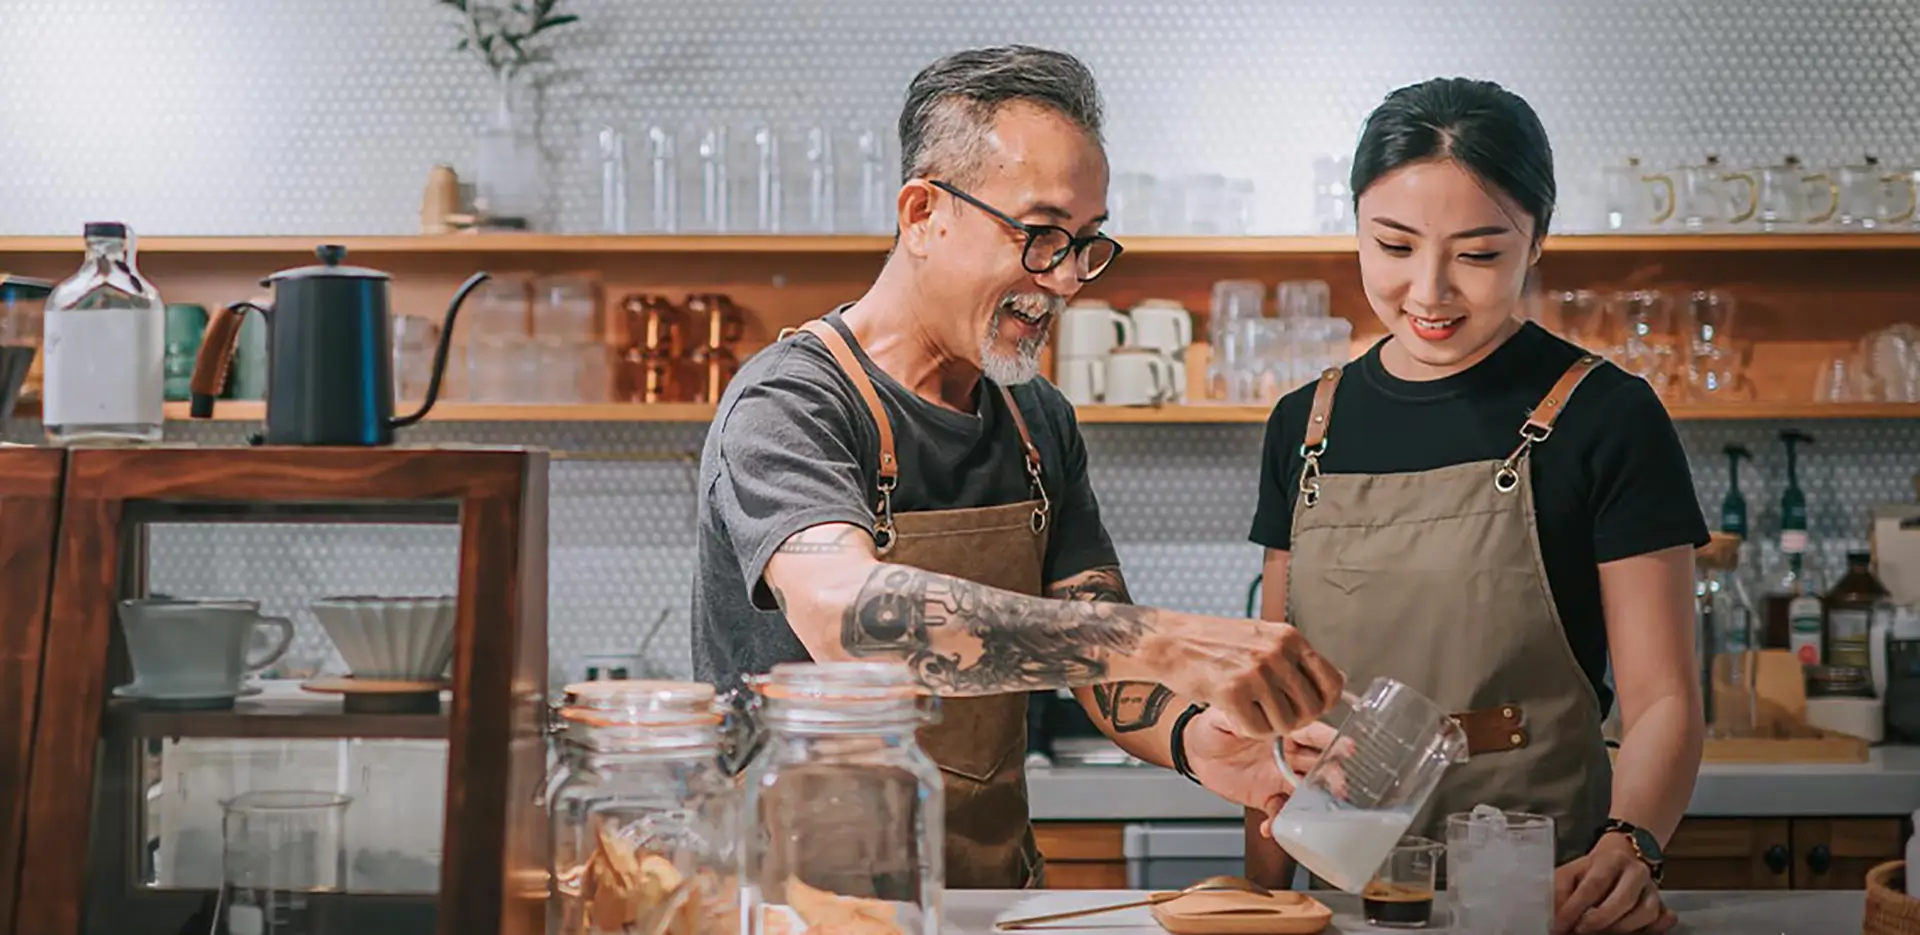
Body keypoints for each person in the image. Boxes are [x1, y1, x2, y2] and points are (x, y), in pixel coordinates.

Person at [690, 44, 1346, 890]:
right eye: (1040, 236)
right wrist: (1171, 637)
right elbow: (847, 617)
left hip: (989, 895)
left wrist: (1200, 740)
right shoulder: (792, 402)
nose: (1068, 280)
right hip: (798, 902)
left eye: (1085, 244)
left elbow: (1097, 647)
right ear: (923, 213)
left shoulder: (1036, 419)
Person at [1245, 78, 1707, 935]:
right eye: (1392, 245)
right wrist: (1267, 890)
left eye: (1479, 254)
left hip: (1540, 885)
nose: (1429, 291)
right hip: (1333, 886)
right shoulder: (1304, 425)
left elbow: (1663, 698)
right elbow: (1276, 696)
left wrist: (1631, 842)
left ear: (1539, 240)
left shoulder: (1607, 415)